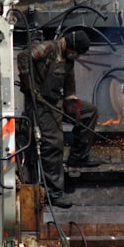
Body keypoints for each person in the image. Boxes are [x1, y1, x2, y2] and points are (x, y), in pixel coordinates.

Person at [17, 30, 99, 208]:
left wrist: (73, 106)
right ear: (70, 46)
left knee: (90, 112)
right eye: (76, 52)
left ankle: (77, 158)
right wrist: (30, 86)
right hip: (39, 104)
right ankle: (54, 194)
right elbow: (23, 57)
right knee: (54, 142)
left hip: (56, 102)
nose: (76, 56)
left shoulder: (68, 62)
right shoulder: (48, 48)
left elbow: (69, 91)